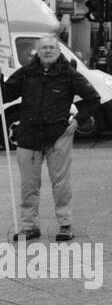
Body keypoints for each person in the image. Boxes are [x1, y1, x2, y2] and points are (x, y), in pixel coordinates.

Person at [1, 36, 100, 241]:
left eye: (51, 47)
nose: (47, 51)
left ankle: (65, 225)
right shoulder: (27, 73)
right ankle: (29, 226)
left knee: (61, 183)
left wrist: (78, 120)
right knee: (28, 185)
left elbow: (93, 99)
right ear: (37, 51)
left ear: (58, 50)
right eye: (44, 47)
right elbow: (6, 95)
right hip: (28, 136)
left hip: (58, 136)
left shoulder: (69, 74)